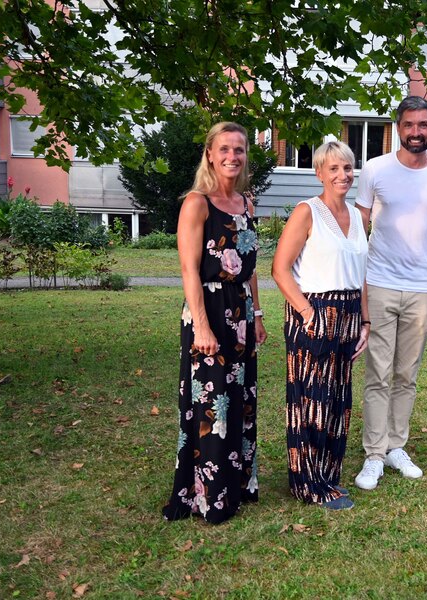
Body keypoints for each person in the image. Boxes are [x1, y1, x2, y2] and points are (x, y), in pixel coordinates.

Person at [162, 122, 268, 524]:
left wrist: (257, 313)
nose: (232, 156)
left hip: (240, 312)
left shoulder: (246, 202)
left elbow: (251, 265)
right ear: (210, 153)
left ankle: (237, 484)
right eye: (224, 149)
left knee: (239, 403)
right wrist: (202, 328)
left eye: (239, 150)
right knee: (212, 403)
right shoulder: (197, 203)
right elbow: (189, 270)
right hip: (207, 309)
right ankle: (208, 495)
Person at [353, 96, 427, 490]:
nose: (416, 132)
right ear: (398, 127)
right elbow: (356, 232)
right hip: (379, 283)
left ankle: (397, 445)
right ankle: (374, 454)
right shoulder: (375, 170)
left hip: (421, 289)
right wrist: (358, 285)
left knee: (406, 374)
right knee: (377, 373)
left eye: (423, 125)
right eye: (409, 125)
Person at [272, 141, 370, 510]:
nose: (342, 175)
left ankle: (329, 474)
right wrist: (308, 313)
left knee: (336, 399)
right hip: (312, 311)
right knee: (310, 399)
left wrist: (365, 320)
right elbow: (280, 269)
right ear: (319, 173)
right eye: (334, 169)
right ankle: (308, 483)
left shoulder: (359, 218)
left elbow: (361, 275)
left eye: (347, 168)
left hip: (348, 314)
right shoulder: (306, 212)